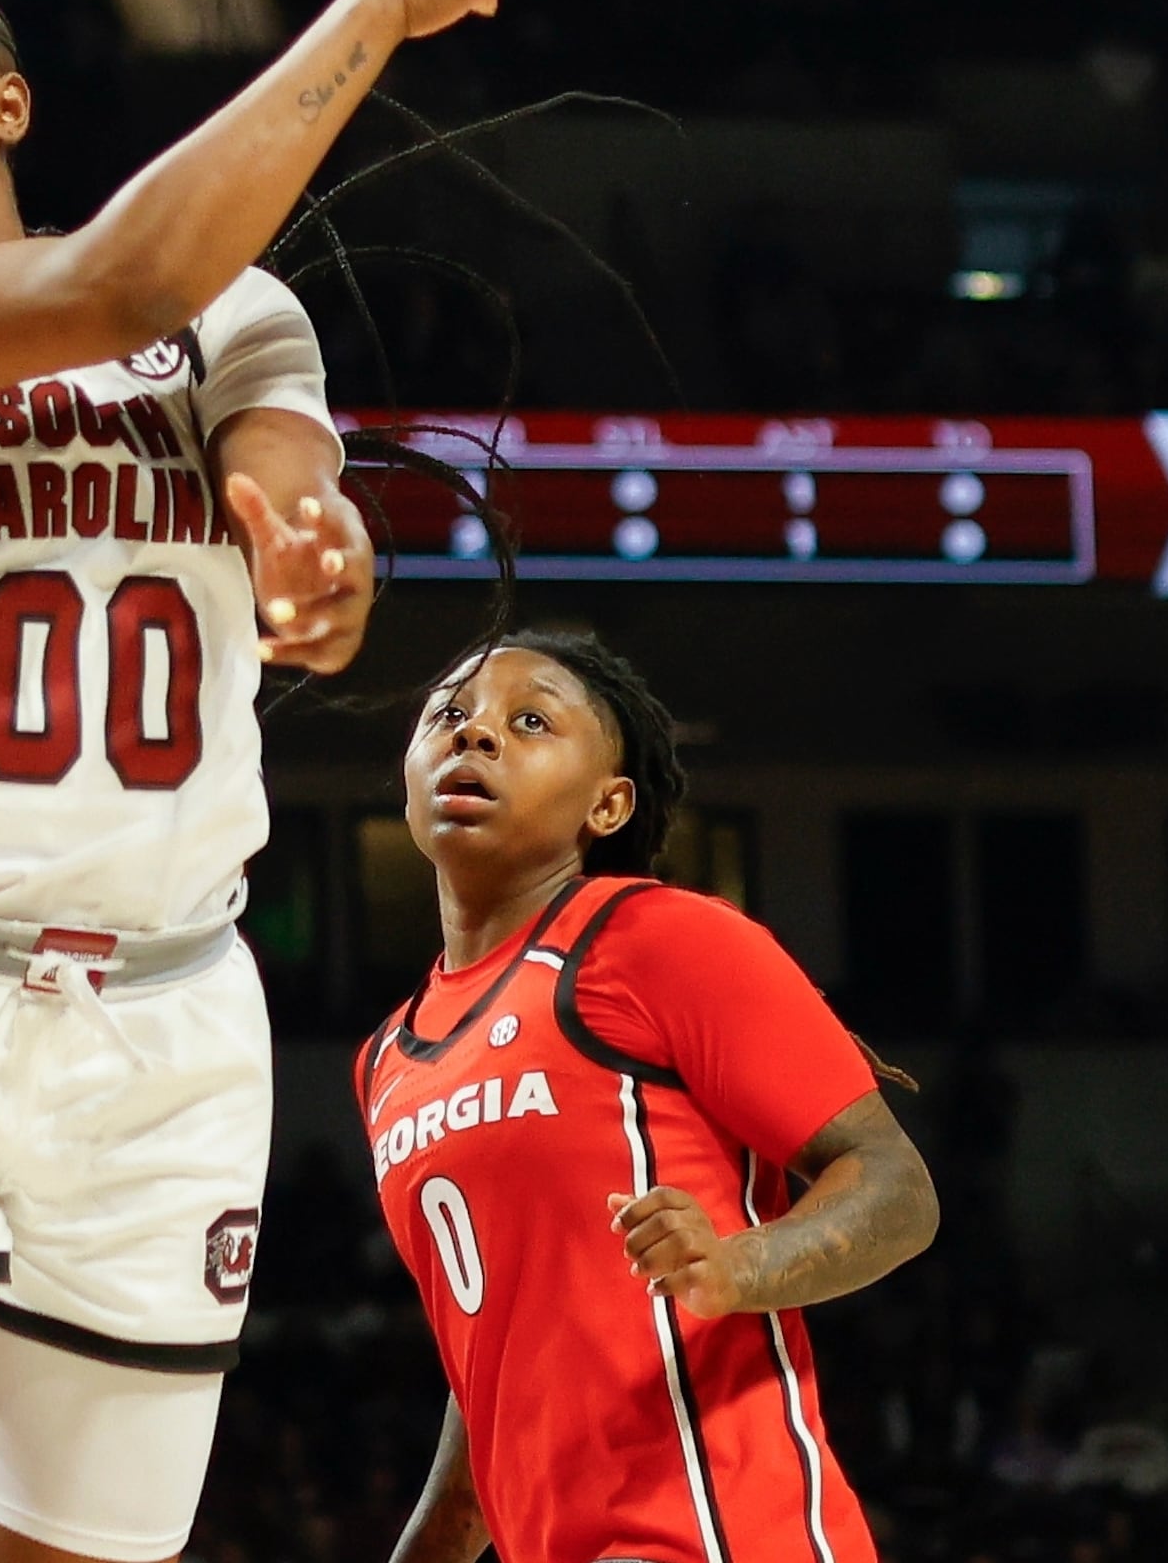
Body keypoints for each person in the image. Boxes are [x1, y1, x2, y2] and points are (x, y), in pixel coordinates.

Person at [0, 0, 638, 1563]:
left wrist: (315, 563)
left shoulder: (244, 316)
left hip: (165, 1031)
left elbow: (287, 489)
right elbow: (118, 276)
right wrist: (379, 9)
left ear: (7, 102)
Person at [362, 631, 936, 1563]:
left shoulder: (659, 939)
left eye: (530, 721)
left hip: (725, 1536)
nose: (475, 737)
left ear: (609, 803)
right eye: (448, 717)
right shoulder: (389, 1056)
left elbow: (898, 1187)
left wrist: (739, 1266)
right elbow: (493, 1372)